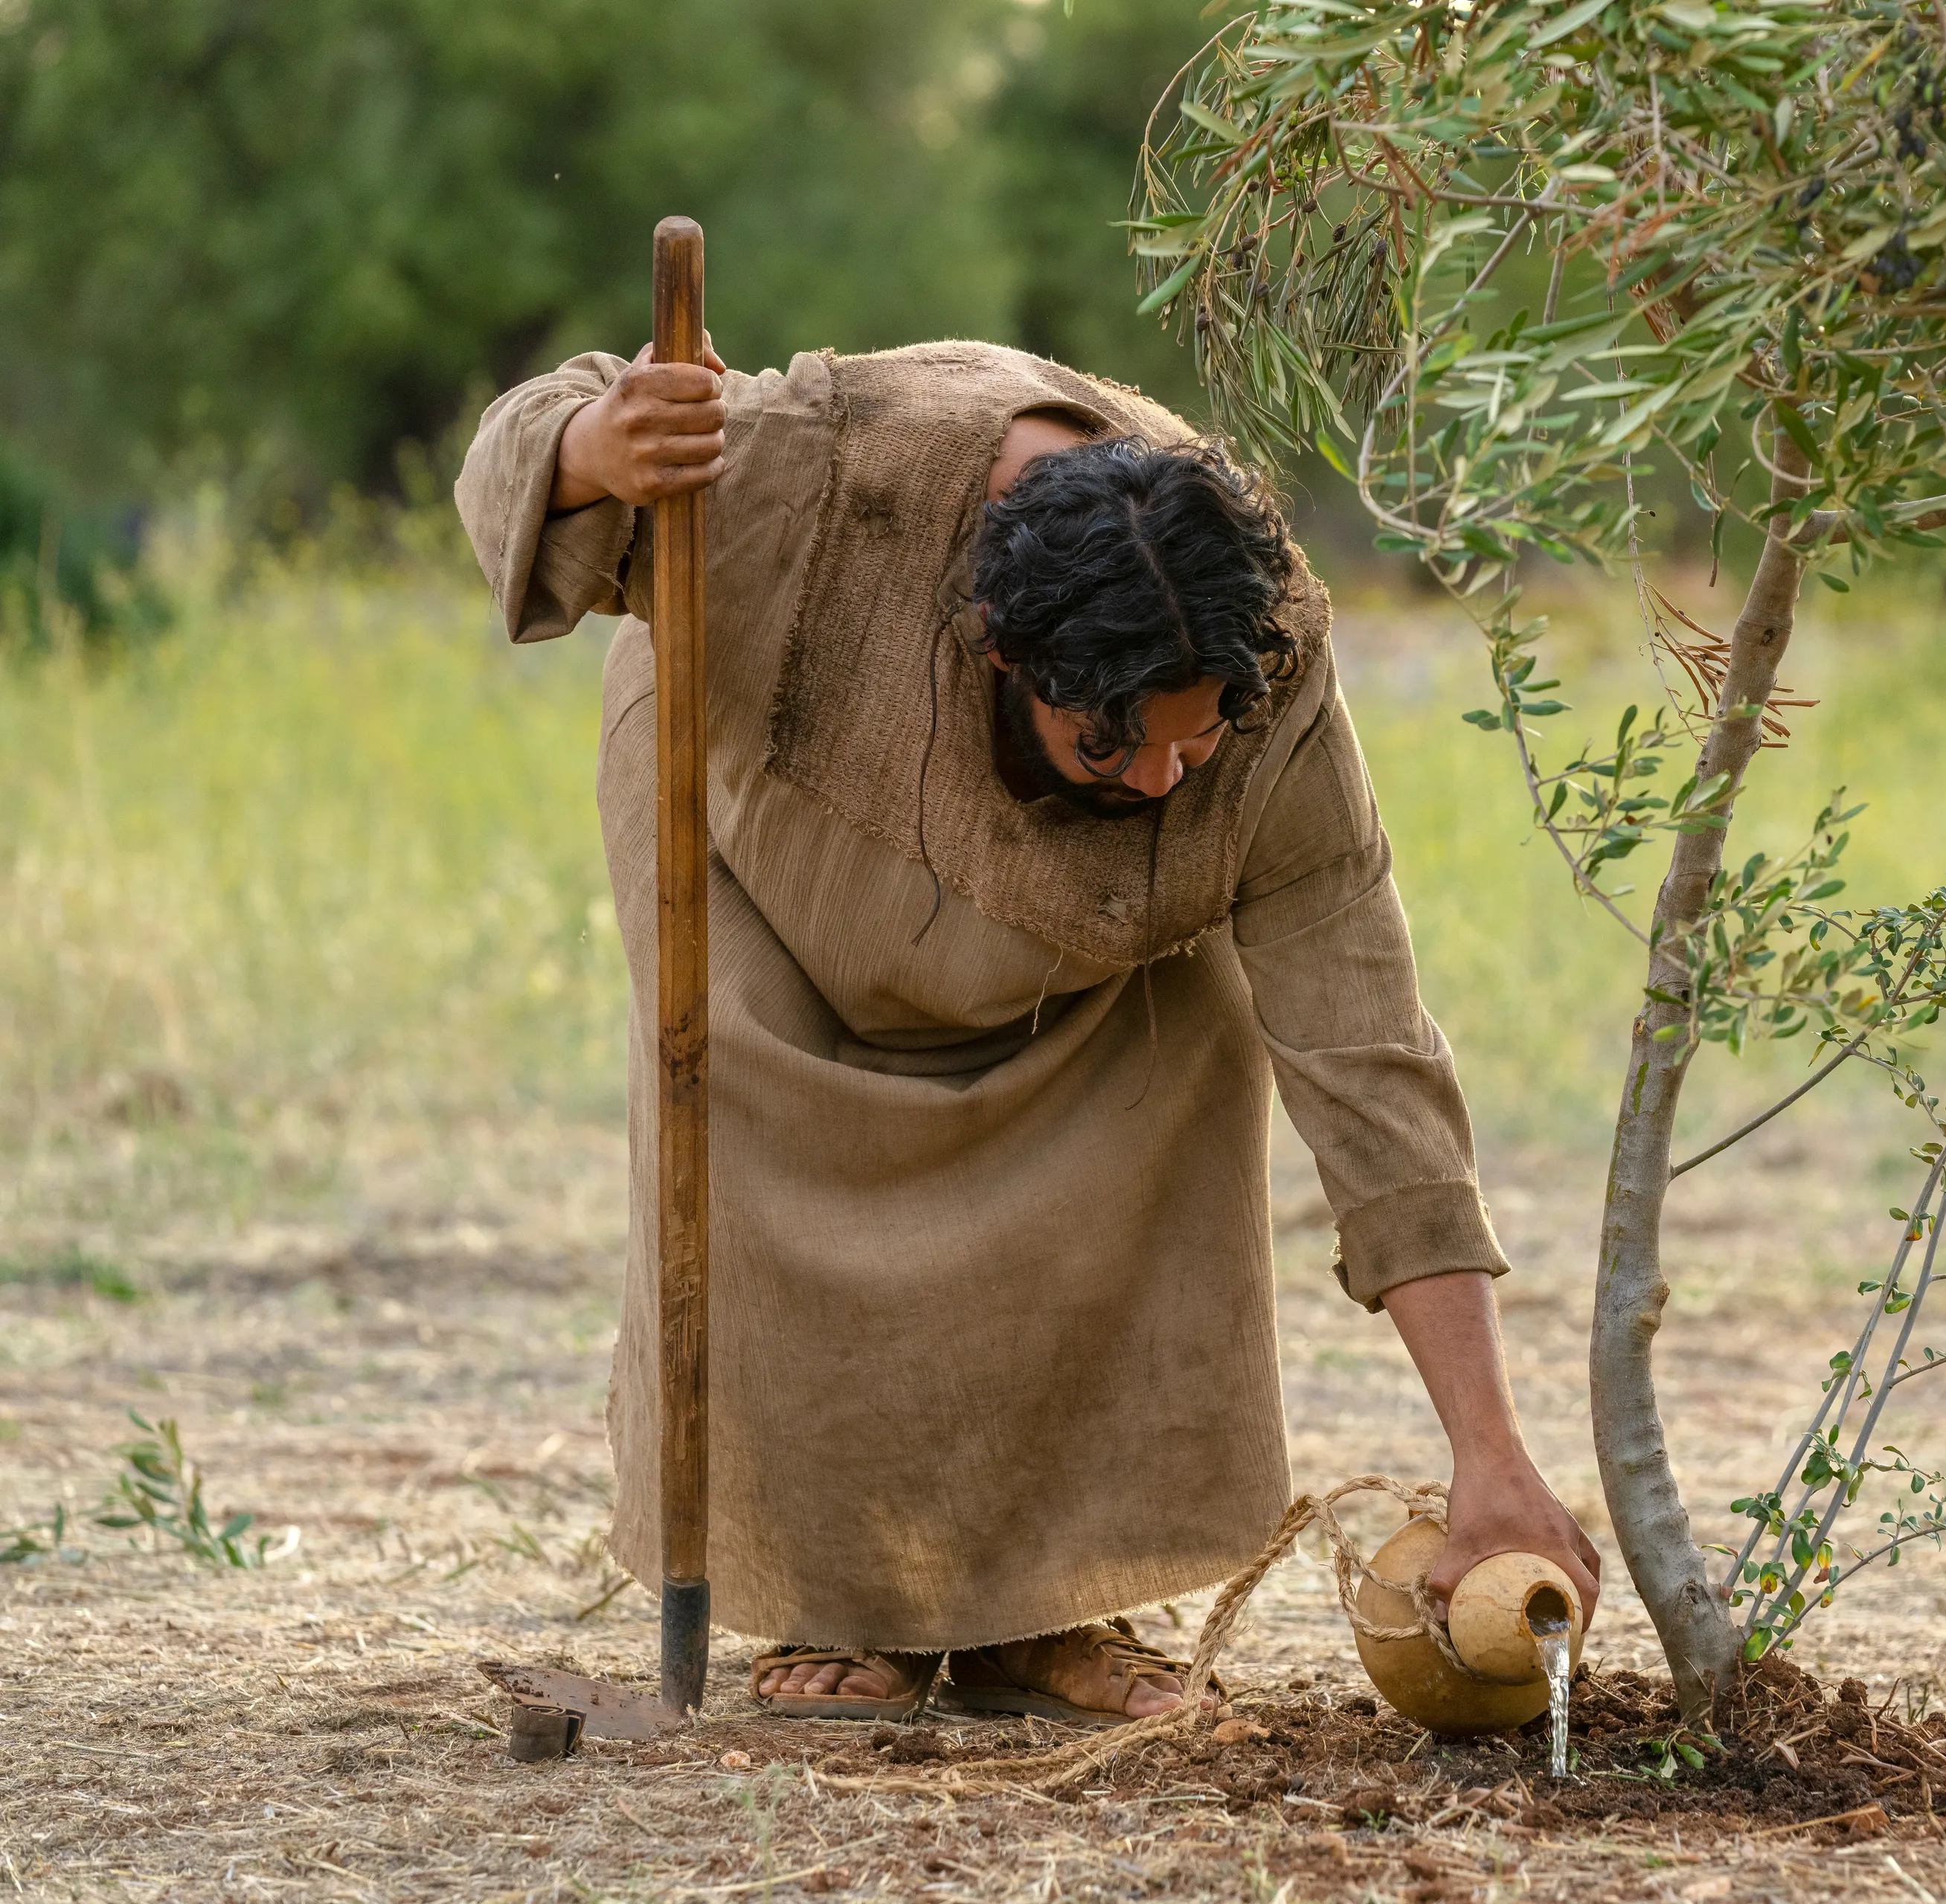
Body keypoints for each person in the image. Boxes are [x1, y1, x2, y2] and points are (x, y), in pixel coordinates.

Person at [454, 335, 1597, 1723]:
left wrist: (1490, 1450)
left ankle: (1049, 1611)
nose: (1167, 775)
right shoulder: (811, 483)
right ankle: (844, 1607)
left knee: (1190, 1061)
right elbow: (530, 432)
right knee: (763, 1141)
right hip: (762, 829)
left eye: (1195, 741)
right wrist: (593, 452)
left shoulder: (1270, 675)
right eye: (1116, 745)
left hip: (1084, 945)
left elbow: (1367, 1053)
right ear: (999, 652)